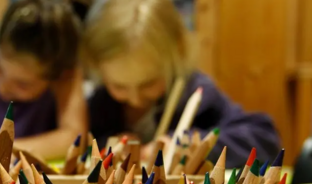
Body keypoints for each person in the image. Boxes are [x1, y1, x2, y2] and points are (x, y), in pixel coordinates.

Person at [82, 0, 281, 167]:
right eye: (119, 87)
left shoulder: (197, 92)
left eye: (148, 83)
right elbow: (81, 146)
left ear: (179, 51)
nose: (135, 99)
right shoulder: (101, 103)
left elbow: (264, 138)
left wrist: (197, 146)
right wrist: (106, 146)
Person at [0, 0, 87, 160]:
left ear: (55, 78)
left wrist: (1, 151)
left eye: (22, 84)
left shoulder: (66, 77)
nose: (3, 86)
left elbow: (74, 138)